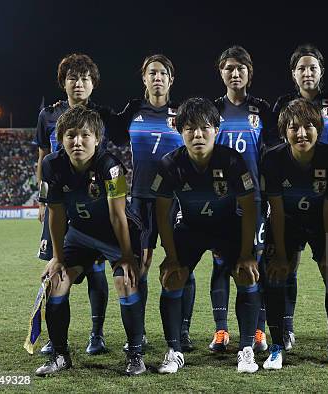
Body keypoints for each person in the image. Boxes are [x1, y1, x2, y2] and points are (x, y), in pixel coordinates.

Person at [35, 105, 145, 376]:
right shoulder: (51, 165)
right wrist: (57, 259)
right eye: (71, 135)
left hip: (117, 236)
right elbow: (57, 215)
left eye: (85, 135)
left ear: (97, 138)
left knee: (125, 281)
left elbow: (118, 216)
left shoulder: (112, 167)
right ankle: (61, 355)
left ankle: (135, 354)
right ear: (61, 139)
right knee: (56, 283)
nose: (78, 141)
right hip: (81, 234)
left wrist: (129, 257)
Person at [153, 98, 261, 374]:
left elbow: (249, 208)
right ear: (180, 131)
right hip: (191, 229)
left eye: (204, 128)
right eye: (190, 129)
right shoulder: (169, 164)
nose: (197, 135)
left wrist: (248, 253)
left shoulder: (232, 161)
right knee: (172, 277)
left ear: (216, 129)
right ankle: (174, 350)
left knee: (246, 273)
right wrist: (171, 256)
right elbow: (162, 212)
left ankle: (246, 348)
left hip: (228, 227)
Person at [261, 98, 328, 370]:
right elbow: (274, 209)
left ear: (319, 129)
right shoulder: (272, 159)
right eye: (294, 127)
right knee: (275, 273)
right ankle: (276, 345)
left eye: (309, 126)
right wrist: (281, 256)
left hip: (324, 221)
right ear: (284, 131)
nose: (301, 133)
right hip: (287, 221)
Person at [105, 54, 197, 351]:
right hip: (141, 199)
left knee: (182, 265)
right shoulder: (133, 111)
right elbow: (104, 127)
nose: (157, 78)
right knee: (140, 264)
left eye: (163, 74)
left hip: (174, 201)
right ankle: (140, 332)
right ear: (144, 79)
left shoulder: (183, 113)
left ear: (171, 79)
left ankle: (183, 331)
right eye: (152, 73)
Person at [272, 44, 328, 351]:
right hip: (294, 189)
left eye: (313, 67)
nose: (308, 73)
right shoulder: (282, 103)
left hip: (327, 187)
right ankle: (287, 327)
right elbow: (278, 140)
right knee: (287, 262)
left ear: (321, 71)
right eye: (301, 68)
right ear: (293, 74)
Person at [34, 53, 111, 356]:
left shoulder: (102, 116)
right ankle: (56, 337)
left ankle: (97, 334)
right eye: (72, 77)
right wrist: (42, 200)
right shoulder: (48, 115)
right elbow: (42, 158)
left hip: (93, 206)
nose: (78, 83)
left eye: (84, 78)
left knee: (95, 271)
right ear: (62, 82)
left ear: (93, 84)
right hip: (58, 203)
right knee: (55, 270)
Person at [209, 45, 279, 353]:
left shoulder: (262, 109)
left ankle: (259, 331)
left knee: (256, 265)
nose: (235, 73)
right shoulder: (213, 110)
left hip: (255, 200)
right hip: (222, 201)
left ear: (249, 73)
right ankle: (221, 331)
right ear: (221, 72)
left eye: (240, 68)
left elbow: (273, 154)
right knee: (221, 265)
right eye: (229, 68)